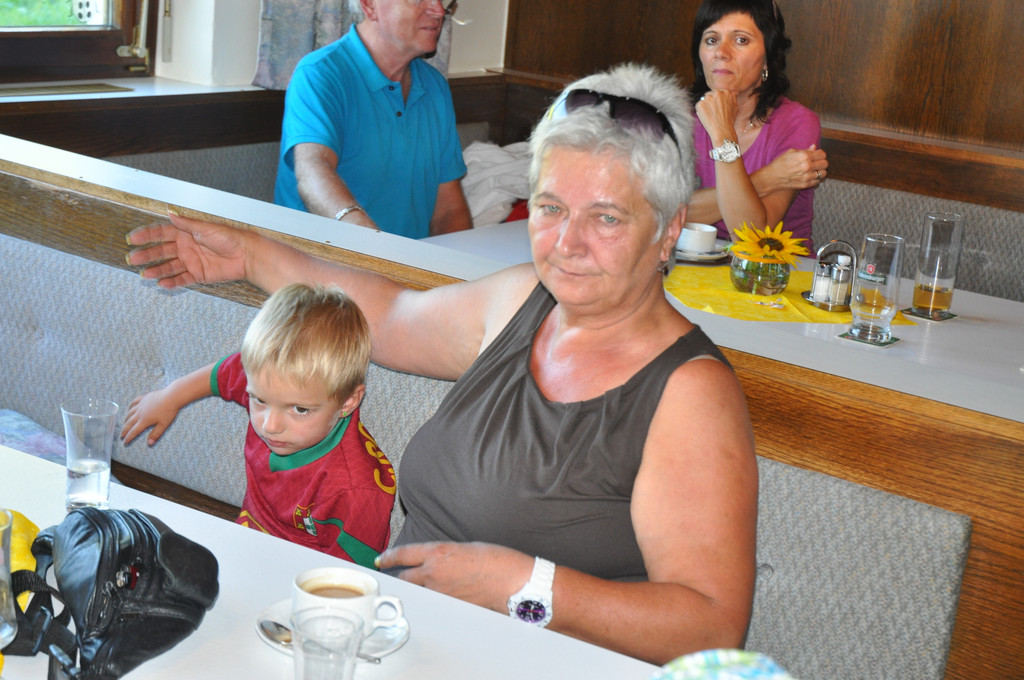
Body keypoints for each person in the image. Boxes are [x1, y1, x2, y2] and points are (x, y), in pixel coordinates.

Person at [125, 63, 758, 665]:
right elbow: (388, 315)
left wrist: (523, 584)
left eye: (607, 217)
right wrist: (250, 255)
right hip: (396, 641)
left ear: (669, 229)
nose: (568, 244)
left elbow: (711, 626)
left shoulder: (689, 392)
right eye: (550, 208)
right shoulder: (520, 300)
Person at [120, 283, 395, 568]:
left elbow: (351, 580)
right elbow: (226, 373)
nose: (269, 425)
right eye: (259, 400)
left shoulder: (357, 490)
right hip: (244, 545)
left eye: (300, 409)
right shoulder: (271, 383)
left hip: (304, 579)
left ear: (348, 401)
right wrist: (170, 397)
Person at [273, 0, 473, 239]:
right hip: (321, 257)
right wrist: (375, 246)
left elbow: (448, 210)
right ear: (369, 5)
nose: (439, 11)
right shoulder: (319, 74)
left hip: (408, 258)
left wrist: (457, 259)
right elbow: (313, 171)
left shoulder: (434, 86)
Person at [686, 0, 826, 247]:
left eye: (741, 40)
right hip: (694, 261)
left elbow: (752, 236)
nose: (721, 52)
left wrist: (722, 133)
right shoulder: (680, 117)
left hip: (774, 266)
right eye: (711, 40)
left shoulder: (798, 123)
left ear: (767, 58)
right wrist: (767, 178)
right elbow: (657, 216)